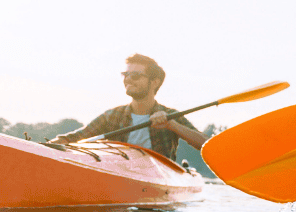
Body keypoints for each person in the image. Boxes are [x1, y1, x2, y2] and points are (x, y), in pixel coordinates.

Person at [52, 54, 207, 161]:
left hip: (158, 178)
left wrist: (172, 125)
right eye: (125, 75)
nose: (128, 80)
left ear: (154, 82)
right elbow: (77, 137)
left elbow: (205, 145)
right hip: (120, 173)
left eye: (135, 76)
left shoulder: (170, 115)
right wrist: (50, 144)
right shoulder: (112, 116)